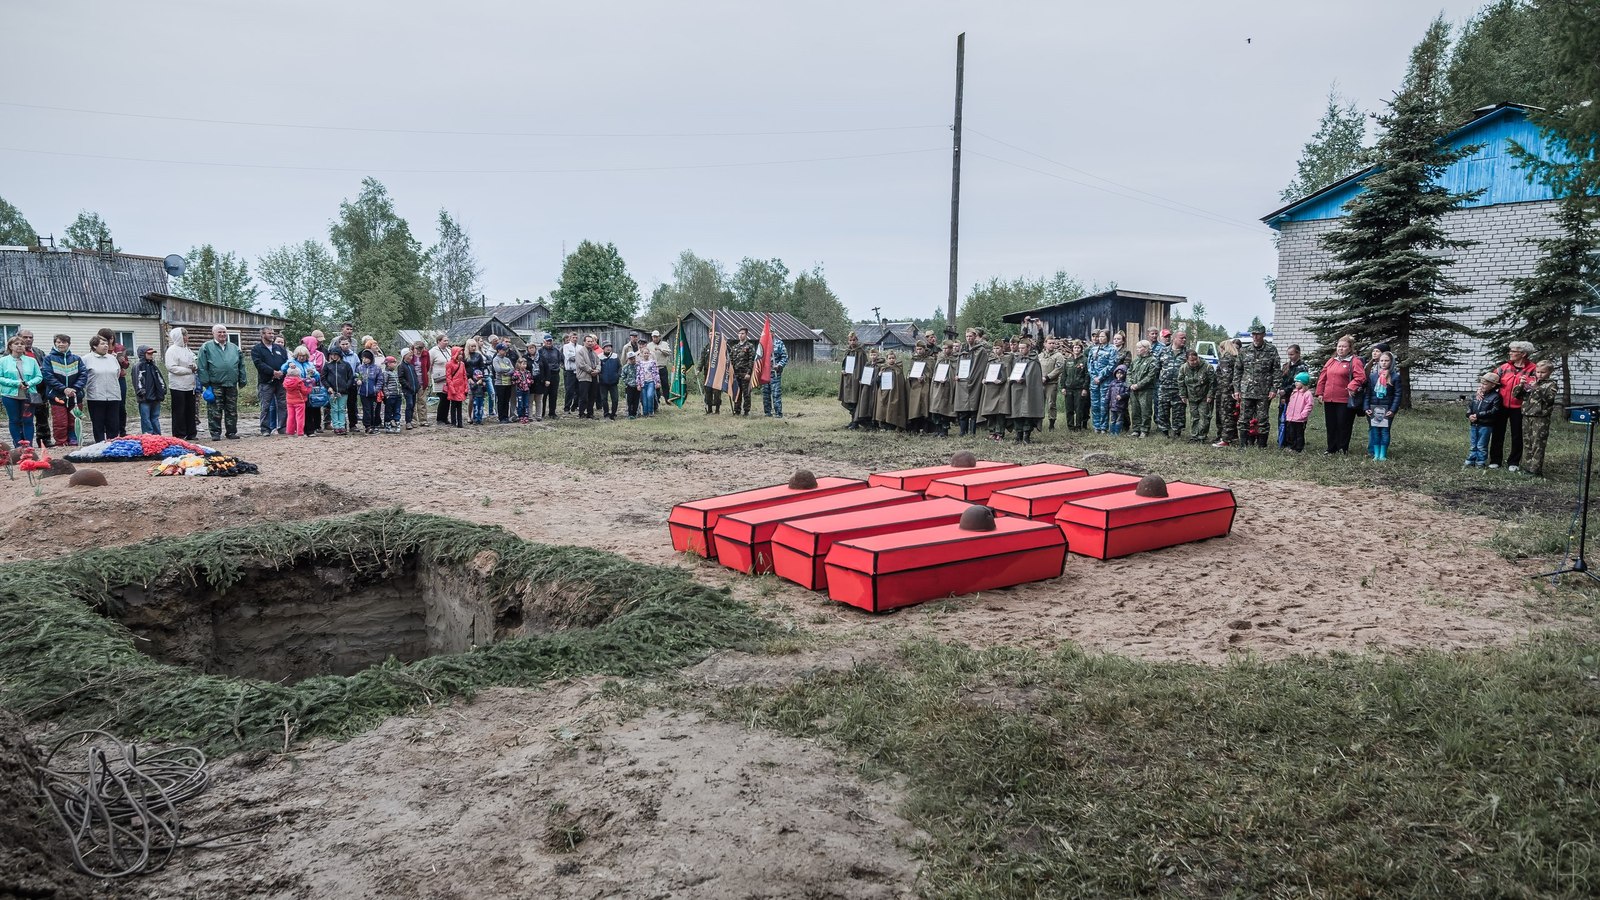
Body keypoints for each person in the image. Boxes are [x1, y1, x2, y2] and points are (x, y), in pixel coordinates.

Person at [1314, 335, 1366, 455]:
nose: (1341, 349)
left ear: (1350, 348)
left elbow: (1361, 377)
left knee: (1343, 424)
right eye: (1339, 346)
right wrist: (1320, 393)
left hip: (1344, 399)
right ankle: (1331, 448)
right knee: (1331, 424)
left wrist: (1351, 386)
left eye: (1344, 347)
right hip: (1329, 398)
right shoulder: (1331, 360)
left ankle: (1342, 448)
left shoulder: (1354, 361)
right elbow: (1323, 377)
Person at [1491, 341, 1539, 470]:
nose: (1510, 353)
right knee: (1497, 433)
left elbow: (1534, 388)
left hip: (1519, 407)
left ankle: (1514, 462)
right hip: (1501, 405)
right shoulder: (1503, 367)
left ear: (1523, 354)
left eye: (1513, 351)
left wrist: (1528, 385)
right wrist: (1481, 389)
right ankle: (1495, 460)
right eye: (1510, 350)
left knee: (1517, 434)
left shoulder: (1534, 369)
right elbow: (1491, 381)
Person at [1232, 324, 1280, 449]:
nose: (1255, 337)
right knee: (1243, 419)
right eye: (1253, 334)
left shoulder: (1271, 350)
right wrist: (1236, 389)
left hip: (1263, 391)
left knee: (1262, 419)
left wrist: (1274, 388)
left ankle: (1261, 445)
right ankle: (1243, 445)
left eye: (1258, 334)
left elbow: (1276, 370)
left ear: (1263, 335)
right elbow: (1237, 371)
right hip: (1246, 390)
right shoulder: (1244, 351)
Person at [197, 324, 247, 441]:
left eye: (224, 332)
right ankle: (215, 433)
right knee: (215, 410)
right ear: (213, 333)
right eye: (219, 332)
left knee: (232, 410)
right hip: (215, 384)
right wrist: (206, 383)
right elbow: (202, 366)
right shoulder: (206, 347)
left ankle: (231, 432)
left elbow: (241, 365)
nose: (222, 334)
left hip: (231, 384)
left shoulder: (234, 348)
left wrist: (242, 379)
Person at [1515, 360, 1558, 477]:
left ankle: (1535, 470)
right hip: (1527, 415)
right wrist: (1521, 385)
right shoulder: (1532, 381)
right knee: (1527, 442)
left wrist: (1537, 388)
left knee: (1537, 443)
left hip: (1540, 418)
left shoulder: (1551, 384)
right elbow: (1517, 396)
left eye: (1543, 372)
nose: (1539, 374)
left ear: (1549, 372)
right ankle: (1527, 467)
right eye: (1538, 372)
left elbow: (1550, 399)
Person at [78, 336, 124, 444]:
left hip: (113, 395)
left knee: (113, 423)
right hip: (96, 396)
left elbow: (117, 374)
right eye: (102, 344)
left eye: (107, 344)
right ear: (94, 346)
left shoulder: (112, 359)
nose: (106, 346)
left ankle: (113, 445)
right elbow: (83, 376)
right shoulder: (86, 359)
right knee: (98, 423)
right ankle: (99, 445)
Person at [42, 335, 85, 447]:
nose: (61, 344)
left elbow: (83, 375)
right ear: (55, 343)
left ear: (69, 344)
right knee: (60, 422)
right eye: (58, 342)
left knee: (74, 420)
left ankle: (74, 440)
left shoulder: (76, 359)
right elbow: (48, 376)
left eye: (64, 342)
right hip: (57, 396)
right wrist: (63, 389)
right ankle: (61, 442)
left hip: (75, 396)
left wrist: (74, 389)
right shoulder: (48, 359)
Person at [0, 335, 43, 445]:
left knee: (28, 421)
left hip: (28, 395)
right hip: (10, 395)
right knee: (14, 420)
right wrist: (16, 384)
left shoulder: (32, 361)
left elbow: (39, 377)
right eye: (16, 344)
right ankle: (18, 445)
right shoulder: (3, 361)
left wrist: (28, 383)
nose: (19, 346)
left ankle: (28, 445)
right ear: (10, 346)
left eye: (22, 344)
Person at [1006, 336, 1045, 443]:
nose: (1021, 350)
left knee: (1028, 411)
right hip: (1017, 389)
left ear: (1028, 348)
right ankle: (1018, 435)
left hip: (1029, 390)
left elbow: (1033, 376)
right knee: (1017, 411)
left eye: (1023, 348)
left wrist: (1025, 378)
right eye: (1020, 348)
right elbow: (1011, 372)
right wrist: (1013, 378)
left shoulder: (1033, 360)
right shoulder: (1016, 359)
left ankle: (1026, 436)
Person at [16, 331, 52, 447]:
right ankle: (24, 442)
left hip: (40, 390)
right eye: (25, 337)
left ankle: (44, 441)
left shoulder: (39, 352)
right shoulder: (13, 353)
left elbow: (46, 368)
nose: (28, 339)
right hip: (21, 390)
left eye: (30, 337)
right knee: (24, 418)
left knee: (42, 416)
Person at [1363, 351, 1400, 461]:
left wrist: (1393, 409)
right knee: (1374, 431)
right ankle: (1376, 453)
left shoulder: (1395, 377)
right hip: (1374, 408)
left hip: (1387, 409)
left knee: (1384, 431)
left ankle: (1383, 454)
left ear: (1391, 362)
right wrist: (1366, 407)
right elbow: (1368, 393)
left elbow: (1398, 395)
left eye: (1386, 361)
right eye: (1382, 361)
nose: (1384, 363)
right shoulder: (1373, 376)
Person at [251, 327, 288, 436]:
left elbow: (286, 361)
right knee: (266, 406)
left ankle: (282, 427)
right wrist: (272, 372)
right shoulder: (257, 349)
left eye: (273, 333)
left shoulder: (280, 348)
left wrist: (282, 371)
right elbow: (259, 364)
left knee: (282, 405)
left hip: (281, 380)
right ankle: (265, 429)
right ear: (262, 334)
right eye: (269, 333)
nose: (272, 335)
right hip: (266, 381)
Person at [954, 328, 991, 437]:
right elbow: (959, 363)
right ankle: (962, 431)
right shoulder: (963, 349)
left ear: (975, 336)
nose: (969, 338)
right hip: (962, 382)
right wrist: (957, 374)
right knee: (962, 407)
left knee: (973, 407)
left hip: (975, 381)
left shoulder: (981, 351)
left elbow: (982, 366)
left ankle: (972, 432)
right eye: (967, 336)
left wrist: (976, 377)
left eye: (971, 336)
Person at [165, 328, 198, 441]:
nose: (186, 338)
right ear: (179, 337)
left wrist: (195, 366)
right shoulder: (172, 350)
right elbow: (172, 367)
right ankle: (179, 433)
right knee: (179, 410)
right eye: (184, 335)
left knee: (190, 410)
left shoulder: (187, 350)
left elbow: (194, 361)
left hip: (190, 384)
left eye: (187, 335)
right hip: (178, 385)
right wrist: (189, 370)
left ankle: (191, 432)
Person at [1177, 349, 1216, 443]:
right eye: (1192, 360)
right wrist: (1183, 395)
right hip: (1192, 396)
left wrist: (1210, 395)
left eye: (1196, 359)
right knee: (1194, 417)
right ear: (1187, 360)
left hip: (1204, 396)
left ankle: (1202, 436)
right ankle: (1194, 436)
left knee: (1204, 417)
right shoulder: (1183, 368)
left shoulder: (1207, 367)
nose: (1194, 362)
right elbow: (1181, 382)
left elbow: (1213, 383)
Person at [1465, 372, 1502, 468]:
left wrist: (1478, 415)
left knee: (1481, 445)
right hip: (1474, 424)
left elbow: (1494, 411)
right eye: (1481, 383)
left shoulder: (1496, 397)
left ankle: (1481, 462)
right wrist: (1469, 415)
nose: (1482, 386)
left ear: (1493, 385)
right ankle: (1470, 460)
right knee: (1473, 444)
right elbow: (1470, 406)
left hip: (1486, 425)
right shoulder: (1476, 395)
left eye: (1485, 384)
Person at [1275, 344, 1309, 448]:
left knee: (1295, 421)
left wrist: (1286, 390)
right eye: (1288, 354)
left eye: (1292, 354)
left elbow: (1299, 382)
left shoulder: (1302, 367)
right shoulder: (1286, 365)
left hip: (1297, 396)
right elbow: (1282, 380)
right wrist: (1281, 391)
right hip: (1284, 395)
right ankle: (1283, 440)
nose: (1290, 356)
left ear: (1298, 353)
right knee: (1283, 417)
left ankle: (1294, 442)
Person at [978, 340, 1011, 442]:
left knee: (1000, 412)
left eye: (998, 348)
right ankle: (992, 431)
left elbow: (1008, 373)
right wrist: (984, 378)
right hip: (991, 388)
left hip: (1001, 389)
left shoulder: (1007, 359)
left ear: (1002, 348)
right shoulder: (991, 360)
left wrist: (1001, 380)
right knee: (990, 411)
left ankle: (1000, 432)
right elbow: (987, 371)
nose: (996, 350)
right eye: (994, 348)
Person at [1126, 340, 1159, 438]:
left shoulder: (1152, 360)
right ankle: (1136, 429)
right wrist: (1131, 384)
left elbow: (1150, 376)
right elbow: (1129, 372)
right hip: (1133, 389)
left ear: (1146, 349)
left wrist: (1138, 385)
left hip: (1145, 390)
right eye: (1137, 348)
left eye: (1140, 348)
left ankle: (1144, 430)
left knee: (1145, 410)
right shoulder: (1136, 360)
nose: (1138, 350)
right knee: (1135, 410)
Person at [1159, 330, 1188, 437]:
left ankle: (1177, 431)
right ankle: (1164, 430)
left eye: (1185, 338)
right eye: (1181, 338)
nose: (1184, 340)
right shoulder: (1163, 351)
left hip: (1179, 388)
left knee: (1179, 411)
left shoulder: (1187, 353)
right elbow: (1157, 367)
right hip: (1164, 387)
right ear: (1174, 338)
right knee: (1163, 410)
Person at [1087, 329, 1117, 433]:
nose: (1100, 338)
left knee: (1104, 404)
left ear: (1108, 337)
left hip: (1105, 381)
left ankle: (1104, 427)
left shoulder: (1112, 349)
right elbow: (1089, 364)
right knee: (1095, 404)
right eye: (1099, 336)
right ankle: (1096, 426)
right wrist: (1094, 376)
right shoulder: (1093, 349)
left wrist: (1100, 377)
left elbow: (1112, 365)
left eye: (1103, 336)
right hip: (1094, 381)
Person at [1212, 339, 1240, 447]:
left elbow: (1226, 377)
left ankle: (1226, 439)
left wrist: (1225, 390)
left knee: (1226, 415)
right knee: (1232, 414)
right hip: (1233, 391)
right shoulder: (1235, 357)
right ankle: (1233, 437)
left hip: (1226, 391)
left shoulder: (1226, 359)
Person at [133, 345, 166, 434]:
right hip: (144, 399)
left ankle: (157, 437)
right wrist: (141, 392)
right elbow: (137, 381)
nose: (151, 355)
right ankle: (148, 437)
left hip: (156, 397)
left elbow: (160, 379)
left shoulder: (154, 366)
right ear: (143, 354)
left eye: (152, 353)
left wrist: (162, 390)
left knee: (155, 418)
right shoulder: (138, 366)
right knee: (146, 419)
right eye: (149, 353)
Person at [322, 346, 354, 435]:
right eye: (332, 355)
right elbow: (323, 378)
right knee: (334, 409)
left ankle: (342, 426)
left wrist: (346, 386)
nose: (334, 356)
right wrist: (328, 387)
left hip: (343, 392)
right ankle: (336, 426)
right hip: (332, 392)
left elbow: (351, 377)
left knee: (342, 409)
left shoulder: (346, 365)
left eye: (336, 354)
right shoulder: (328, 366)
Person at [928, 341, 957, 437]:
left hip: (948, 387)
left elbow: (954, 372)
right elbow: (936, 370)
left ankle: (944, 430)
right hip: (938, 386)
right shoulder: (940, 358)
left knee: (945, 409)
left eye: (947, 348)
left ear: (951, 349)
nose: (945, 350)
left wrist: (948, 379)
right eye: (943, 348)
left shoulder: (954, 359)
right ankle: (938, 428)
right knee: (936, 408)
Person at [875, 350, 908, 432]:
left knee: (893, 408)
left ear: (895, 359)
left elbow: (901, 382)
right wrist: (879, 375)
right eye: (889, 358)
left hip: (895, 393)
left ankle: (893, 425)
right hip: (885, 392)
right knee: (883, 407)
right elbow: (877, 382)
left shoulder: (898, 369)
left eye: (893, 358)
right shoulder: (883, 368)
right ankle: (884, 425)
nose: (891, 360)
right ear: (887, 359)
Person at [1060, 340, 1089, 431]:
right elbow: (1064, 374)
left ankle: (1078, 426)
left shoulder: (1084, 360)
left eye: (1078, 347)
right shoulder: (1068, 360)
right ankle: (1070, 426)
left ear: (1081, 349)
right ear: (1072, 349)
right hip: (1068, 388)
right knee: (1069, 409)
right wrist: (1063, 387)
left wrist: (1085, 388)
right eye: (1075, 347)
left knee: (1079, 408)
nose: (1076, 349)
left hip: (1079, 388)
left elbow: (1087, 375)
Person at [727, 327, 757, 416]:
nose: (740, 335)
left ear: (746, 335)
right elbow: (731, 360)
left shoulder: (749, 346)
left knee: (746, 393)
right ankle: (737, 410)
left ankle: (746, 411)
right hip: (736, 374)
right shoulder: (735, 347)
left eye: (743, 333)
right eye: (739, 333)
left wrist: (749, 373)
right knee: (737, 392)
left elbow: (752, 360)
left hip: (745, 373)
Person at [1149, 328, 1174, 435]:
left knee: (1159, 403)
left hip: (1160, 379)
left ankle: (1161, 424)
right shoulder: (1147, 346)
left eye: (1169, 336)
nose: (1167, 338)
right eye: (1152, 334)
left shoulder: (1162, 348)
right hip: (1150, 379)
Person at [1038, 337, 1065, 431]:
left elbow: (1059, 369)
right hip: (1040, 383)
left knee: (1051, 404)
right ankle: (1038, 423)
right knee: (1039, 404)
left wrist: (1047, 377)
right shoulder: (1040, 356)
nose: (1052, 345)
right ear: (1045, 344)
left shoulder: (1058, 356)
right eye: (1050, 343)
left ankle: (1051, 424)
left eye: (1053, 343)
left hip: (1051, 383)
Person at [1282, 372, 1314, 453]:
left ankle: (1298, 448)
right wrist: (1288, 413)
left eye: (1298, 381)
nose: (1295, 383)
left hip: (1300, 419)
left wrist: (1303, 415)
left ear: (1303, 383)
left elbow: (1309, 405)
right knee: (1291, 433)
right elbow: (1290, 403)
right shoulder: (1294, 392)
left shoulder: (1307, 394)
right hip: (1291, 418)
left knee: (1299, 434)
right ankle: (1292, 446)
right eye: (1295, 381)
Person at [301, 335, 326, 436]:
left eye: (305, 344)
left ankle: (317, 425)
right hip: (302, 386)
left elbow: (321, 368)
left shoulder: (319, 354)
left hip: (315, 384)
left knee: (315, 405)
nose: (303, 346)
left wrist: (314, 374)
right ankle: (305, 427)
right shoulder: (300, 356)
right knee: (305, 407)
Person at [905, 344, 932, 434]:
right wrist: (909, 374)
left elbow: (931, 371)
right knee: (915, 407)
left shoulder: (930, 359)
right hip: (915, 386)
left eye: (920, 349)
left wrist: (924, 376)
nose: (919, 351)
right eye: (917, 349)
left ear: (924, 349)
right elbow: (910, 370)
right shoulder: (914, 359)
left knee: (925, 406)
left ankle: (926, 428)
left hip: (925, 385)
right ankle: (914, 428)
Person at [837, 331, 863, 423]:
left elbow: (863, 366)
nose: (852, 342)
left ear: (857, 340)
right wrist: (843, 370)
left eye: (854, 340)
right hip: (847, 378)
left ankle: (855, 422)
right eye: (850, 340)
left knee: (855, 399)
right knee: (848, 399)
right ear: (848, 341)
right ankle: (852, 420)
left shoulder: (861, 352)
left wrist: (860, 377)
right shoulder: (847, 351)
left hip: (856, 379)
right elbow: (844, 364)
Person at [281, 356, 311, 437]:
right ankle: (300, 432)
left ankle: (290, 431)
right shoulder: (299, 381)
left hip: (289, 401)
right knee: (300, 417)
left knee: (290, 417)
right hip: (299, 402)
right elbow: (305, 391)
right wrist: (309, 386)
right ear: (298, 374)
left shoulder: (286, 381)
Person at [534, 333, 561, 421]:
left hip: (555, 374)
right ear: (544, 342)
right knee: (543, 395)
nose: (549, 343)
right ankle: (541, 413)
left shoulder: (556, 350)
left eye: (550, 341)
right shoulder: (540, 351)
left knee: (554, 394)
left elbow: (560, 360)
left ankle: (552, 412)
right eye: (547, 341)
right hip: (544, 375)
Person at [853, 347, 882, 430]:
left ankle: (874, 422)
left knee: (873, 403)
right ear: (869, 356)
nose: (873, 356)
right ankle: (864, 420)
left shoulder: (880, 365)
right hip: (867, 387)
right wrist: (862, 380)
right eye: (871, 355)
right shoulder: (868, 364)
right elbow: (865, 374)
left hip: (875, 388)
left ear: (878, 355)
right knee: (864, 402)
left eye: (875, 354)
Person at [356, 349, 384, 433]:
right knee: (366, 409)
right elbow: (355, 377)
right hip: (363, 392)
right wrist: (357, 381)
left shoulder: (377, 368)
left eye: (366, 358)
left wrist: (376, 389)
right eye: (363, 358)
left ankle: (373, 425)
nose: (364, 360)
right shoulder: (360, 368)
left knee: (373, 409)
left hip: (373, 393)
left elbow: (380, 380)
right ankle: (367, 426)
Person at [574, 334, 600, 419]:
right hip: (584, 377)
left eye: (591, 341)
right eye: (588, 341)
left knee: (592, 396)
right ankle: (581, 413)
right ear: (584, 342)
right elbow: (581, 364)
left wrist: (597, 370)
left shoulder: (594, 353)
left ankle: (590, 413)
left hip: (594, 377)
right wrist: (591, 371)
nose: (590, 343)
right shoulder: (580, 352)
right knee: (584, 396)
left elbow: (598, 363)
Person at [762, 336, 788, 418]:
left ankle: (778, 413)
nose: (769, 334)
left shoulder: (779, 343)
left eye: (771, 332)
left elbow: (785, 356)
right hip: (765, 373)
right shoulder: (762, 343)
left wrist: (779, 365)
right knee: (765, 394)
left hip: (775, 373)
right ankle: (767, 413)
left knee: (776, 394)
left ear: (773, 333)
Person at [431, 334, 453, 426]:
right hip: (439, 379)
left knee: (448, 398)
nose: (446, 342)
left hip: (448, 378)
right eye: (444, 341)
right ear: (439, 341)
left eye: (447, 341)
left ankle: (445, 417)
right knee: (442, 398)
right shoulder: (433, 351)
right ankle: (440, 418)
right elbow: (429, 365)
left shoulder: (449, 351)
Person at [648, 330, 674, 403]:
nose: (655, 338)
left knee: (665, 384)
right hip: (653, 368)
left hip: (662, 367)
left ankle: (667, 399)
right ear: (652, 337)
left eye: (656, 337)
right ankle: (657, 400)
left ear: (659, 336)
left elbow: (669, 352)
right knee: (655, 385)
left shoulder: (664, 344)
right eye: (654, 337)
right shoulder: (649, 345)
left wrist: (660, 349)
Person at [492, 344, 516, 423]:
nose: (505, 351)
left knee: (506, 400)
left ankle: (506, 417)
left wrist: (507, 371)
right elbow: (498, 369)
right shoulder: (496, 359)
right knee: (501, 401)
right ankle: (501, 417)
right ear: (499, 350)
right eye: (503, 350)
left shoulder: (507, 359)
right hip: (499, 383)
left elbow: (512, 369)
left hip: (508, 383)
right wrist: (507, 369)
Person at [598, 341, 621, 420]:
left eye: (609, 346)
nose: (608, 348)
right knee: (604, 399)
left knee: (615, 399)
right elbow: (597, 368)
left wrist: (618, 375)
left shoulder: (615, 356)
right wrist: (600, 376)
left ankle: (613, 414)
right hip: (603, 382)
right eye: (606, 347)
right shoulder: (599, 357)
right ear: (603, 348)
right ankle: (606, 413)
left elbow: (619, 367)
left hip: (613, 382)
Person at [445, 346, 468, 428]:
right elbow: (448, 378)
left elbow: (465, 376)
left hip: (461, 388)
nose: (461, 356)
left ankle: (460, 422)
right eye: (459, 354)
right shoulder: (449, 364)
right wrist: (452, 389)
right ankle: (454, 422)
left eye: (462, 354)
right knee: (454, 405)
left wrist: (466, 387)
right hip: (454, 388)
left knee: (459, 406)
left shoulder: (462, 364)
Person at [400, 348, 423, 428]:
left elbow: (415, 377)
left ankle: (411, 421)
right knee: (409, 404)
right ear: (404, 356)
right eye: (409, 356)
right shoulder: (401, 366)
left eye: (411, 356)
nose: (411, 357)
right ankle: (408, 422)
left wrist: (417, 386)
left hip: (414, 389)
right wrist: (408, 386)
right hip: (407, 390)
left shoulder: (411, 366)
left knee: (412, 405)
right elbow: (401, 378)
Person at [381, 356, 404, 434]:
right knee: (388, 411)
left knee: (397, 411)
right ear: (388, 364)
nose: (395, 364)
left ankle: (397, 424)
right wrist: (387, 394)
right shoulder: (385, 373)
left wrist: (400, 393)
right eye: (393, 363)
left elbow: (398, 384)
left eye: (395, 362)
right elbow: (384, 384)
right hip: (390, 396)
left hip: (397, 395)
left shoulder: (395, 373)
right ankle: (388, 426)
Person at [1107, 365, 1130, 436]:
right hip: (1113, 406)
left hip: (1121, 406)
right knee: (1112, 419)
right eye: (1117, 373)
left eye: (1121, 373)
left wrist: (1121, 396)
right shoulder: (1112, 383)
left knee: (1119, 419)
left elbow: (1128, 393)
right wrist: (1107, 400)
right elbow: (1109, 393)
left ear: (1124, 374)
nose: (1119, 375)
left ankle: (1117, 432)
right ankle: (1111, 432)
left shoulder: (1125, 384)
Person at [637, 346, 660, 417]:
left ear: (649, 354)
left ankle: (651, 412)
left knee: (650, 396)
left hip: (651, 381)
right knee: (644, 398)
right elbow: (637, 374)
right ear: (642, 354)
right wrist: (638, 384)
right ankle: (645, 413)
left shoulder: (652, 362)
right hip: (643, 382)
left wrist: (658, 382)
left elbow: (656, 373)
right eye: (645, 353)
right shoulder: (640, 363)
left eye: (647, 353)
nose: (646, 354)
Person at [561, 332, 580, 413]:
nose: (575, 339)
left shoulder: (580, 347)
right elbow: (569, 357)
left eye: (576, 337)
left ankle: (575, 406)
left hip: (579, 371)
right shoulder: (566, 346)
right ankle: (566, 407)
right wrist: (579, 358)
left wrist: (578, 358)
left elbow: (583, 357)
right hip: (570, 371)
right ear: (570, 338)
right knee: (569, 390)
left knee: (579, 390)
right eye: (573, 337)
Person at [513, 357, 534, 423]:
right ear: (519, 364)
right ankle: (520, 416)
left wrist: (529, 382)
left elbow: (531, 380)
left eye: (525, 364)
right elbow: (513, 381)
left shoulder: (528, 372)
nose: (524, 365)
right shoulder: (516, 373)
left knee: (526, 404)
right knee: (520, 404)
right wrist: (518, 381)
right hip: (519, 390)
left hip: (526, 390)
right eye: (523, 364)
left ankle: (526, 416)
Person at [622, 351, 641, 419]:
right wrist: (627, 382)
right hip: (629, 386)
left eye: (633, 358)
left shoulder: (638, 366)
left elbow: (641, 375)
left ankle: (635, 413)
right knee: (629, 400)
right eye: (630, 359)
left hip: (637, 386)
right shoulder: (625, 367)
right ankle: (630, 414)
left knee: (636, 400)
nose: (632, 360)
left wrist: (640, 383)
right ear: (628, 359)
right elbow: (623, 376)